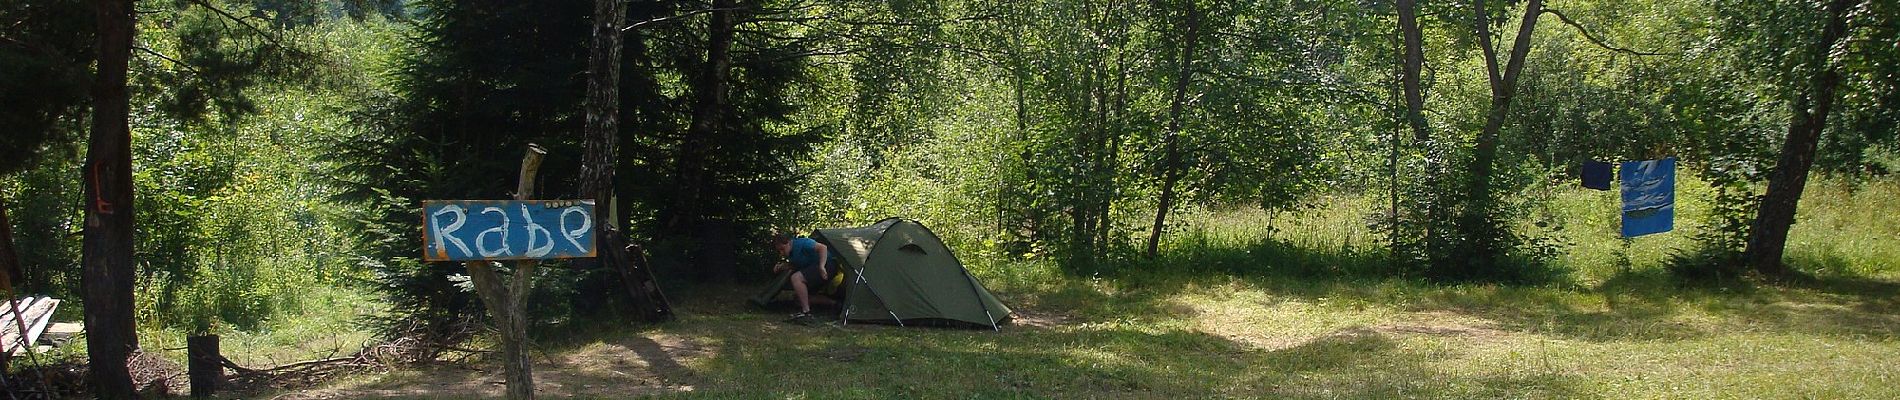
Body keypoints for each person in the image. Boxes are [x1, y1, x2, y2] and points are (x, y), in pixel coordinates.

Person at [772, 233, 833, 324]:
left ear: (788, 242)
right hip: (814, 268)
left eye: (782, 249)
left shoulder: (803, 243)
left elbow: (823, 248)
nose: (781, 253)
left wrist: (821, 266)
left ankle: (806, 312)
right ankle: (835, 303)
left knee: (796, 278)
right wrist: (781, 267)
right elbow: (796, 265)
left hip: (828, 266)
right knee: (799, 299)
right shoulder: (792, 253)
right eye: (779, 251)